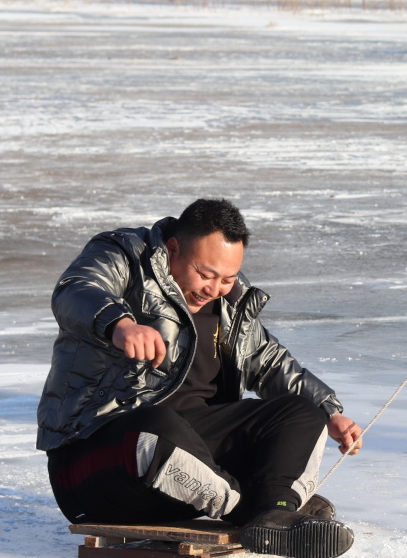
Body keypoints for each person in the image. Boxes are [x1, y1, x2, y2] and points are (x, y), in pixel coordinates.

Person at [36, 198, 363, 558]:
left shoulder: (229, 305)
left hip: (192, 475)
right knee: (155, 425)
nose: (214, 289)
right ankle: (257, 511)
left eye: (227, 278)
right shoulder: (126, 256)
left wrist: (331, 412)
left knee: (302, 412)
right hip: (99, 464)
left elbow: (269, 362)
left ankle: (277, 511)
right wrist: (120, 323)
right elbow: (76, 288)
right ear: (173, 248)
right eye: (205, 274)